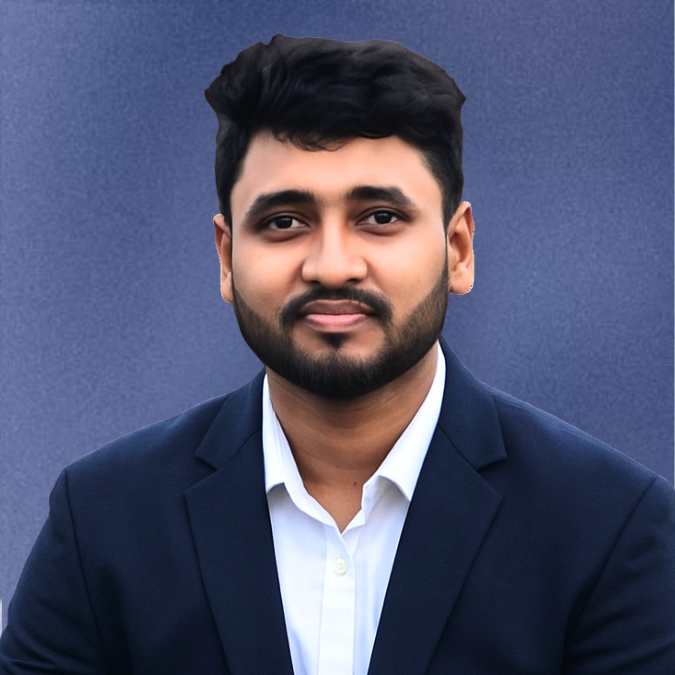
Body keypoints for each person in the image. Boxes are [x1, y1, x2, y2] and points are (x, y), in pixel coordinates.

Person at [1, 33, 673, 675]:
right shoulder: (105, 520)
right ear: (227, 256)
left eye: (379, 217)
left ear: (457, 249)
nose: (330, 265)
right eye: (284, 222)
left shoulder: (607, 527)